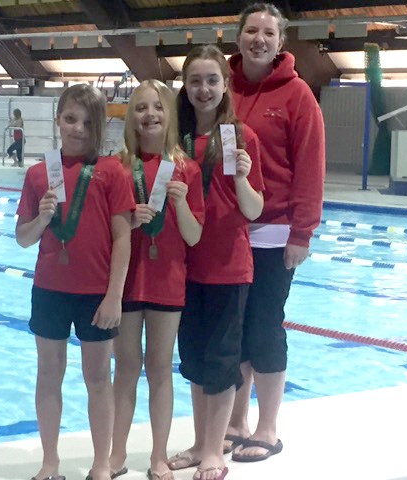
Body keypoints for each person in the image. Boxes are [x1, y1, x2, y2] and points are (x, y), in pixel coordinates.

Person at [15, 84, 135, 480]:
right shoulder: (38, 174)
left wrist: (114, 297)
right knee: (48, 374)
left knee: (98, 378)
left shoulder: (112, 172)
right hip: (49, 290)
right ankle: (50, 462)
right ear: (57, 120)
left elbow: (122, 237)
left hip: (96, 294)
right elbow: (23, 238)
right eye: (70, 119)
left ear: (99, 126)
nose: (78, 128)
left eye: (87, 122)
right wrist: (43, 218)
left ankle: (102, 464)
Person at [225, 2, 326, 463]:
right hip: (226, 231)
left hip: (274, 231)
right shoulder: (221, 86)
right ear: (239, 36)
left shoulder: (297, 94)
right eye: (251, 31)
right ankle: (235, 421)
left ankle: (267, 427)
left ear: (280, 42)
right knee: (235, 327)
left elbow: (310, 166)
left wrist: (301, 233)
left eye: (268, 32)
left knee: (264, 326)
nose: (258, 39)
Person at [169, 44, 264, 480]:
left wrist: (242, 176)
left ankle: (214, 449)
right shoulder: (177, 142)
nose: (203, 89)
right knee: (192, 359)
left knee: (222, 361)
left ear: (225, 86)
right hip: (183, 267)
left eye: (212, 80)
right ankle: (198, 442)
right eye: (195, 81)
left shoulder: (242, 138)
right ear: (184, 87)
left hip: (228, 267)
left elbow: (254, 209)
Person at [110, 80, 205, 480]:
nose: (149, 115)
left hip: (167, 282)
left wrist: (181, 204)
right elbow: (106, 231)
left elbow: (194, 236)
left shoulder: (186, 169)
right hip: (127, 283)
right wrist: (130, 220)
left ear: (169, 114)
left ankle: (158, 456)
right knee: (127, 369)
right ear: (131, 116)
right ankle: (115, 454)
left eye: (157, 108)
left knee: (161, 369)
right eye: (140, 108)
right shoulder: (116, 166)